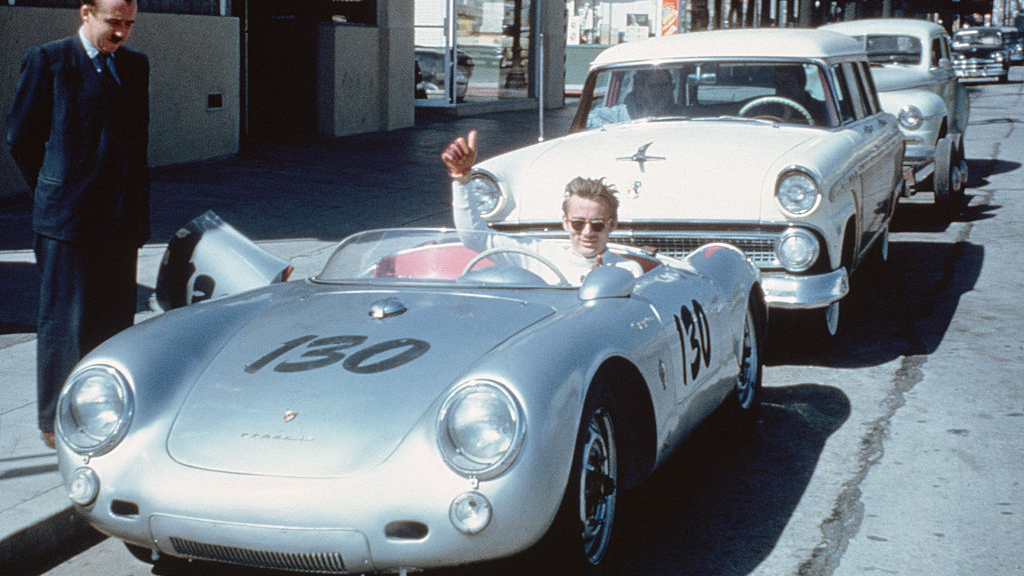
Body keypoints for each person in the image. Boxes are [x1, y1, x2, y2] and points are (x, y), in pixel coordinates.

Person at [6, 0, 150, 449]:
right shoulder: (50, 60)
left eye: (128, 23)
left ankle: (105, 411)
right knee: (65, 325)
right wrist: (54, 186)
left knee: (113, 322)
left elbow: (137, 142)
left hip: (120, 222)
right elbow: (21, 137)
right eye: (113, 22)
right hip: (67, 222)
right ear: (86, 13)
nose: (121, 32)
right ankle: (55, 421)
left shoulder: (135, 66)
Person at [441, 130, 642, 284]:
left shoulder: (628, 270)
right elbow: (474, 236)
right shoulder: (540, 254)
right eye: (578, 224)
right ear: (565, 222)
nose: (587, 232)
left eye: (597, 225)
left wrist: (603, 284)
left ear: (612, 224)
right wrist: (462, 180)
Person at [586, 67, 679, 128]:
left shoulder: (683, 115)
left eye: (664, 85)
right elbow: (589, 118)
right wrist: (616, 131)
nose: (658, 91)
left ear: (672, 88)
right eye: (652, 86)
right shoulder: (623, 114)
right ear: (641, 89)